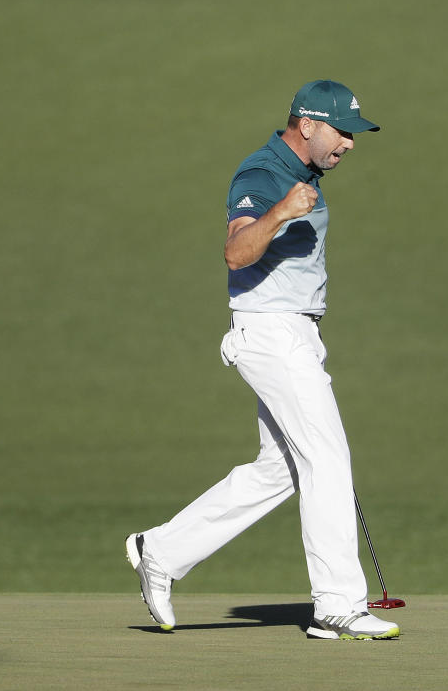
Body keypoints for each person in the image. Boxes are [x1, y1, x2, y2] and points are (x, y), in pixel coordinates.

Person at [126, 80, 400, 640]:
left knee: (281, 471)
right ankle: (337, 606)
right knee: (327, 456)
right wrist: (281, 210)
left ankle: (161, 551)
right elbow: (235, 251)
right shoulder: (261, 174)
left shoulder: (304, 176)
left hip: (292, 333)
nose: (349, 143)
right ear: (307, 125)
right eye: (343, 131)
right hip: (272, 334)